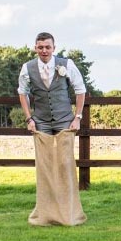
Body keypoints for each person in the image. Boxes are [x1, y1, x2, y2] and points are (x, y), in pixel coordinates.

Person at [17, 32, 88, 225]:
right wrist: (29, 119)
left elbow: (80, 90)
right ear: (35, 48)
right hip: (41, 122)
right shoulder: (28, 67)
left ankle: (69, 213)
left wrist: (78, 117)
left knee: (65, 165)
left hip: (65, 120)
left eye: (47, 47)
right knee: (45, 167)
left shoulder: (67, 65)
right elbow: (22, 93)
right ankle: (47, 214)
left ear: (54, 48)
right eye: (40, 47)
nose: (44, 51)